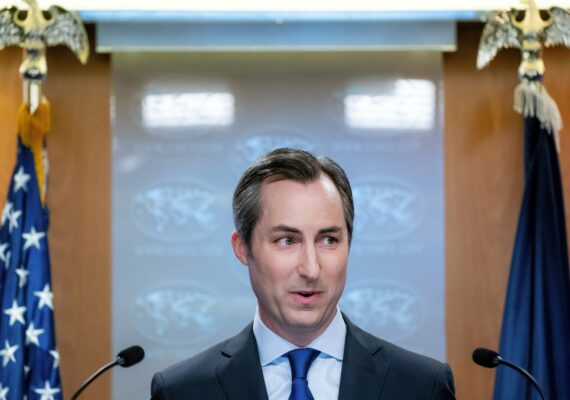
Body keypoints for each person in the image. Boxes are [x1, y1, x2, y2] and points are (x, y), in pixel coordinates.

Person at [150, 148, 455, 400]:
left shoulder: (423, 386)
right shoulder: (181, 391)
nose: (311, 269)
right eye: (287, 241)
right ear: (242, 248)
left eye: (329, 240)